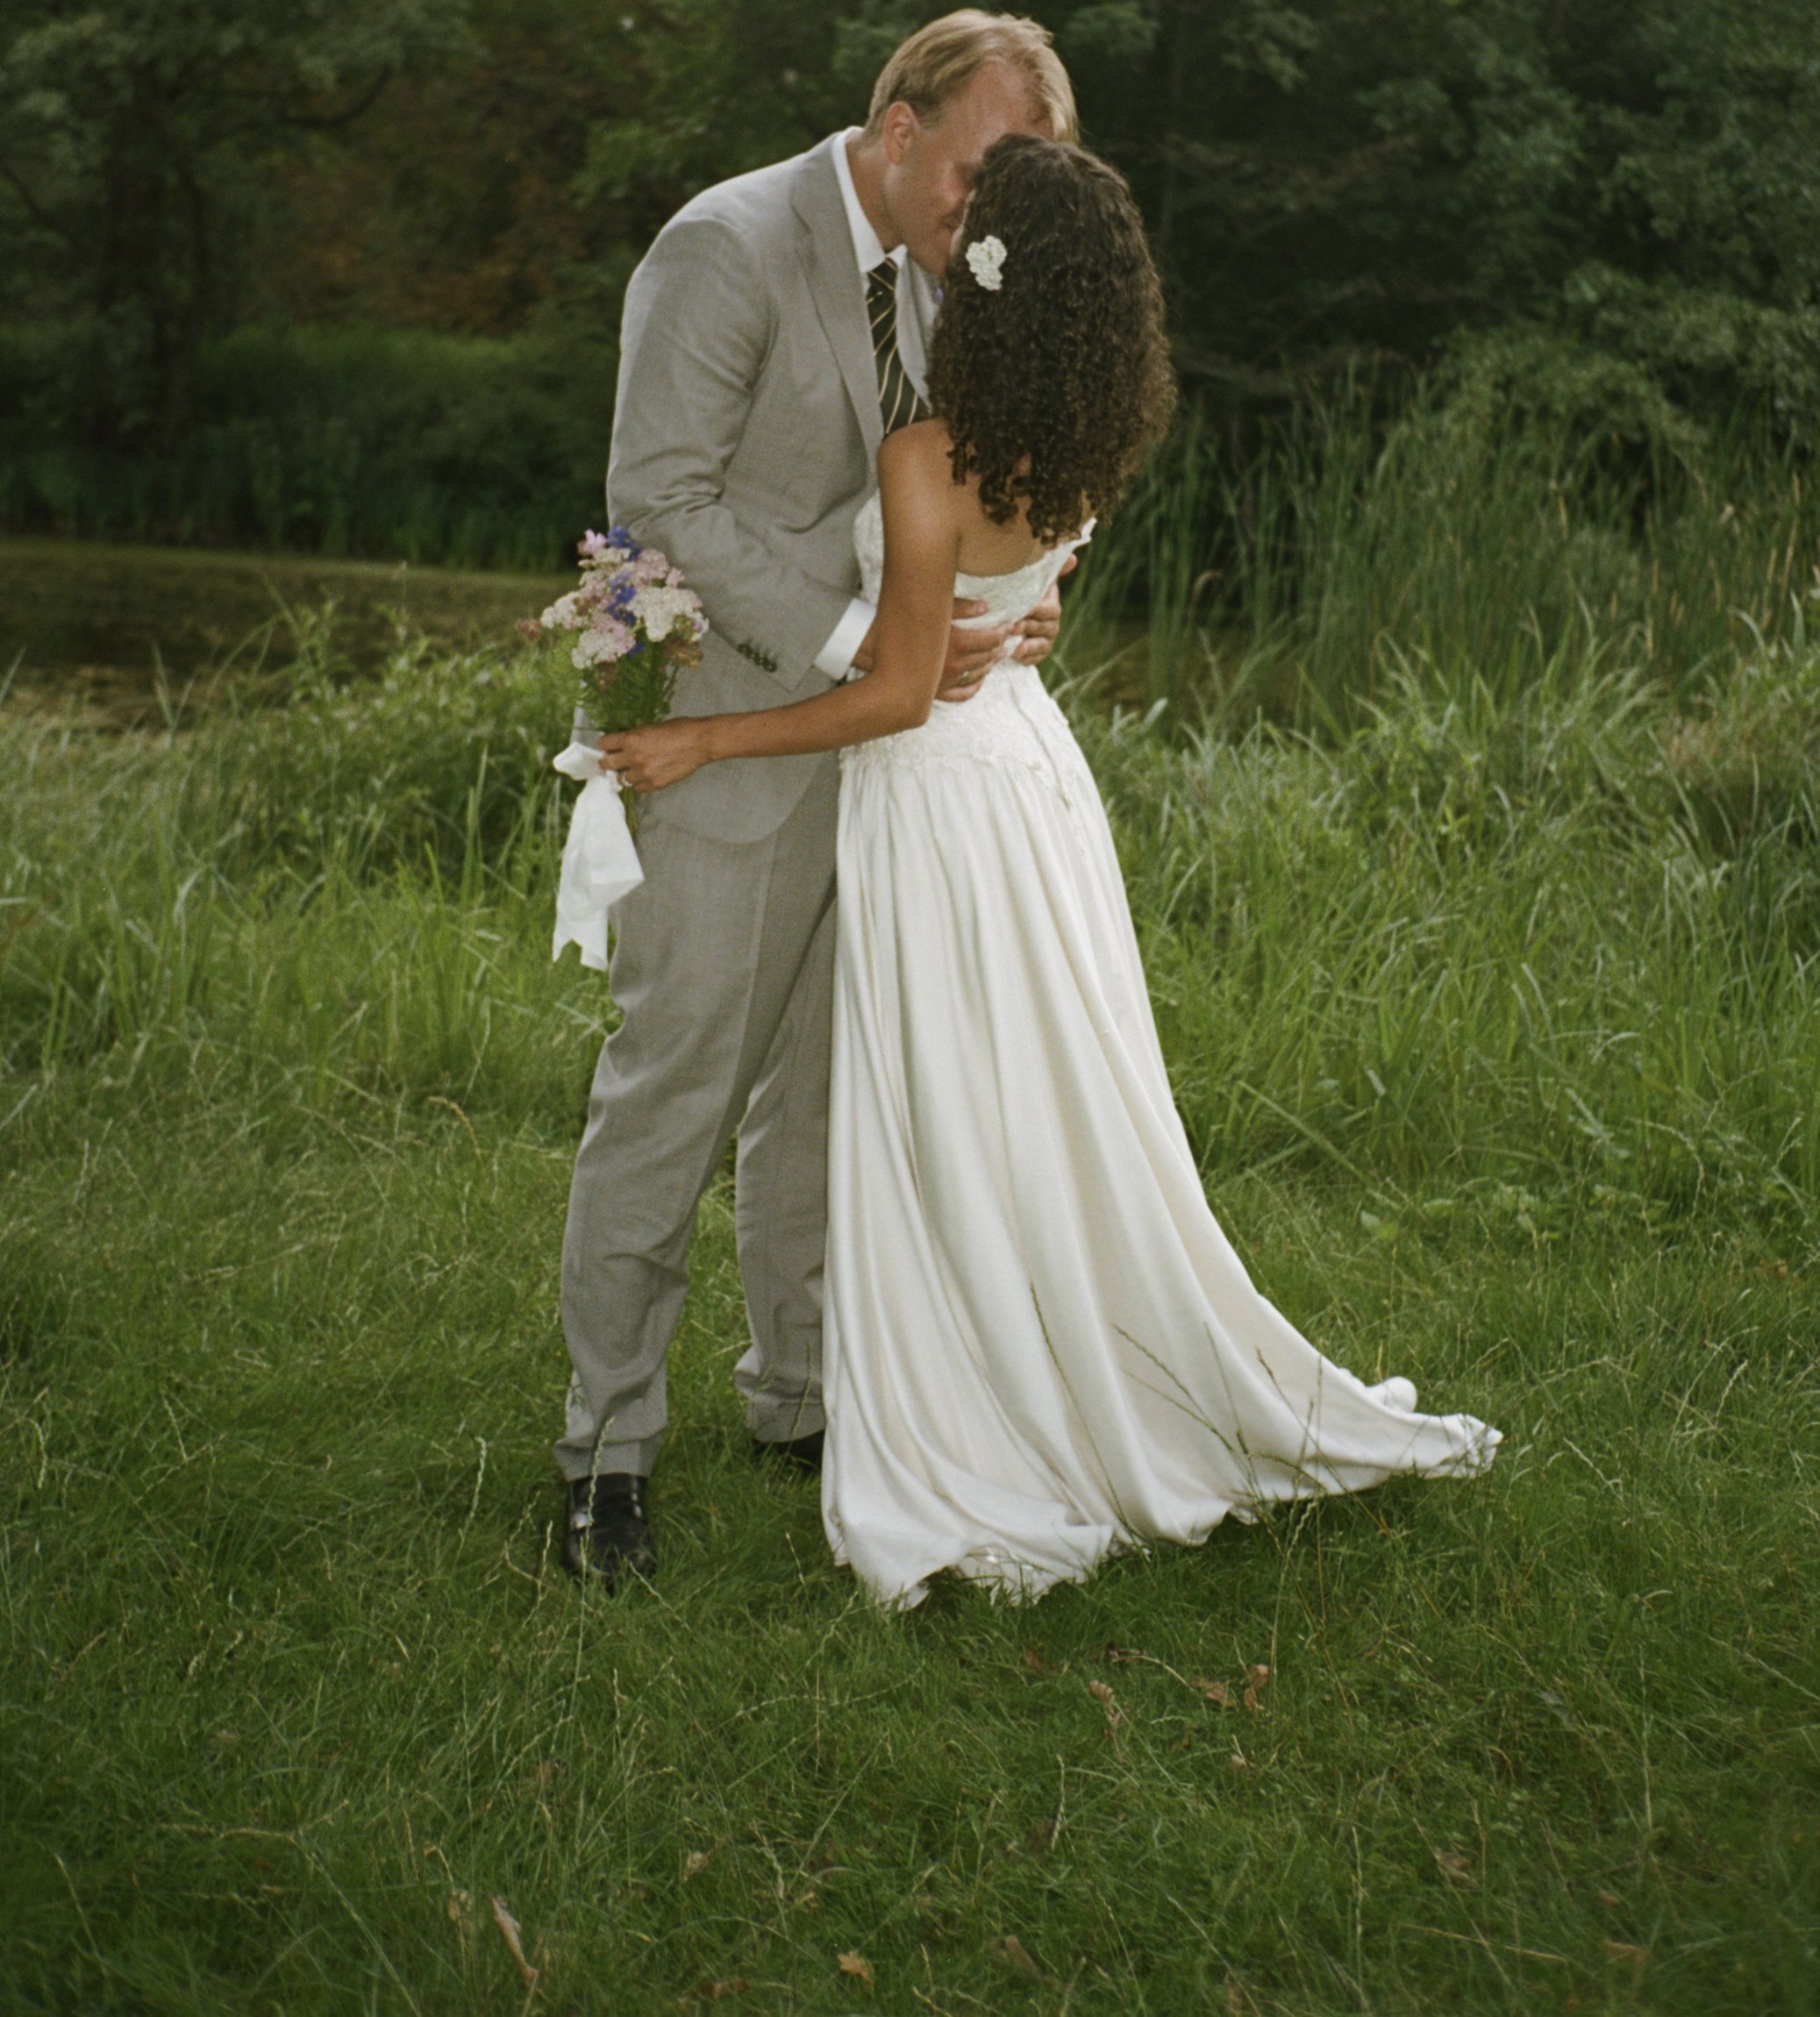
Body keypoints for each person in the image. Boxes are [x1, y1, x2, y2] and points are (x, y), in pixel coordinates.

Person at [603, 132, 1499, 1609]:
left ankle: (971, 1393)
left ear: (998, 278)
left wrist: (708, 747)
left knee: (939, 1098)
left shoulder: (926, 456)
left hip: (938, 794)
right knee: (1041, 1095)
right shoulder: (1078, 446)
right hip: (1033, 787)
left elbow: (896, 691)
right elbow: (1020, 609)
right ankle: (1034, 1352)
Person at [557, 11, 1078, 1588]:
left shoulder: (948, 272)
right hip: (727, 732)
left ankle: (797, 1391)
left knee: (827, 1091)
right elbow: (660, 496)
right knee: (680, 1089)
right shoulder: (722, 246)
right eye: (981, 169)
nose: (984, 216)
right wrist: (872, 642)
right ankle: (604, 1454)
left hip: (890, 762)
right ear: (902, 121)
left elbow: (953, 500)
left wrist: (1007, 608)